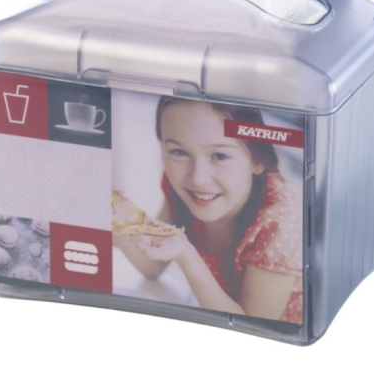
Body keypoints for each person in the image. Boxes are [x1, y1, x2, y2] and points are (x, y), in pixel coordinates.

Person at [114, 96, 302, 324]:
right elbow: (153, 265)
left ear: (258, 159)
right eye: (178, 152)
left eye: (220, 156)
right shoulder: (182, 187)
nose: (198, 178)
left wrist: (186, 254)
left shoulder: (282, 218)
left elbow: (252, 327)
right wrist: (116, 225)